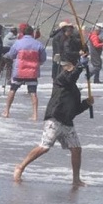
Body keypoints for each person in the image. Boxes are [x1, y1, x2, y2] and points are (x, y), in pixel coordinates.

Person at [13, 52, 93, 186]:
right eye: (69, 67)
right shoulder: (61, 79)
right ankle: (20, 167)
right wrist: (80, 66)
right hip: (55, 118)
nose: (69, 68)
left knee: (77, 149)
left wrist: (86, 104)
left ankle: (76, 179)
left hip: (67, 122)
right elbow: (71, 77)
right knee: (44, 147)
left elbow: (74, 110)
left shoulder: (74, 88)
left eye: (70, 66)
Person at [2, 25, 47, 121]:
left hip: (19, 72)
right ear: (32, 33)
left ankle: (6, 111)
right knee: (33, 93)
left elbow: (11, 54)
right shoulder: (38, 44)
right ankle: (35, 115)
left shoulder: (18, 43)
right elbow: (43, 58)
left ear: (23, 33)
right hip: (32, 72)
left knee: (12, 90)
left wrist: (6, 56)